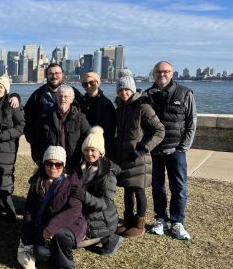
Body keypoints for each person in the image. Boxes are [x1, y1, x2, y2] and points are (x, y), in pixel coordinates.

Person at [144, 61, 197, 240]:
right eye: (158, 72)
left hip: (176, 150)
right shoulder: (147, 95)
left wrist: (184, 147)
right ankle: (161, 219)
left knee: (179, 187)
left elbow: (191, 121)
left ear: (172, 73)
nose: (162, 75)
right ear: (153, 75)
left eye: (166, 71)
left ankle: (177, 222)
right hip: (155, 151)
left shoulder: (185, 93)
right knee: (158, 187)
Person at [18, 146, 86, 269]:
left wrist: (52, 227)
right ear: (44, 164)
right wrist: (26, 237)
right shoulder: (37, 181)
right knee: (40, 253)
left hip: (70, 224)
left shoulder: (72, 181)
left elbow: (74, 209)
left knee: (60, 234)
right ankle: (56, 252)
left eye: (58, 164)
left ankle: (66, 265)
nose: (53, 167)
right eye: (49, 163)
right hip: (45, 227)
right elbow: (29, 210)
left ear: (63, 165)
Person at [113, 71, 164, 238]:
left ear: (133, 90)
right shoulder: (120, 108)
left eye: (127, 90)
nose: (124, 93)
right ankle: (128, 221)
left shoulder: (143, 107)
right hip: (125, 158)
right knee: (127, 191)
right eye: (120, 90)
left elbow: (159, 130)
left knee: (139, 191)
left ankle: (139, 225)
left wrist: (143, 149)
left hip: (139, 157)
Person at [70, 126, 123, 256]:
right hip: (83, 214)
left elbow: (105, 203)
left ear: (100, 152)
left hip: (102, 220)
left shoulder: (108, 175)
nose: (89, 154)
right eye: (86, 150)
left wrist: (85, 196)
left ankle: (109, 238)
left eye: (93, 150)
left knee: (74, 243)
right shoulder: (80, 168)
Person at [0, 75, 25, 223]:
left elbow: (21, 126)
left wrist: (2, 136)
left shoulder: (12, 105)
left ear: (6, 89)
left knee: (4, 178)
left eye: (1, 87)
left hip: (6, 147)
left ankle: (10, 211)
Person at [24, 63, 82, 156]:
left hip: (72, 151)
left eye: (57, 73)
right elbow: (28, 120)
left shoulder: (74, 93)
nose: (54, 76)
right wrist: (35, 147)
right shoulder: (38, 95)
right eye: (50, 73)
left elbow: (83, 118)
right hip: (47, 150)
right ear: (46, 75)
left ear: (62, 74)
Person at [34, 84, 91, 169]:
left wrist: (85, 159)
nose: (62, 99)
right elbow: (35, 138)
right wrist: (36, 158)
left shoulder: (80, 118)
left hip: (73, 163)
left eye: (66, 96)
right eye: (60, 96)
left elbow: (89, 137)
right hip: (52, 164)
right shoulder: (45, 117)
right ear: (56, 98)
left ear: (71, 99)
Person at [80, 71, 116, 159]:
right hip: (83, 146)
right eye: (85, 84)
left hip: (100, 147)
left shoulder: (106, 104)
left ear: (98, 83)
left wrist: (103, 149)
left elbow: (110, 130)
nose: (88, 86)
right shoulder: (80, 102)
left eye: (91, 83)